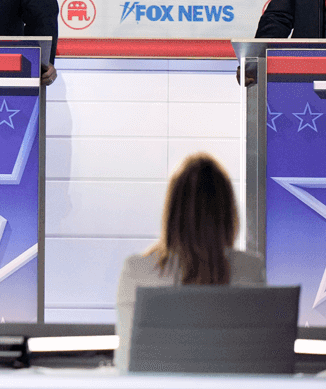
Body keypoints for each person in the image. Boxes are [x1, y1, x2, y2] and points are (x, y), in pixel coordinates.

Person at [114, 153, 265, 371]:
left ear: (173, 211)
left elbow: (126, 364)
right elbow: (257, 364)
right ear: (227, 213)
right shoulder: (250, 268)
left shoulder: (136, 270)